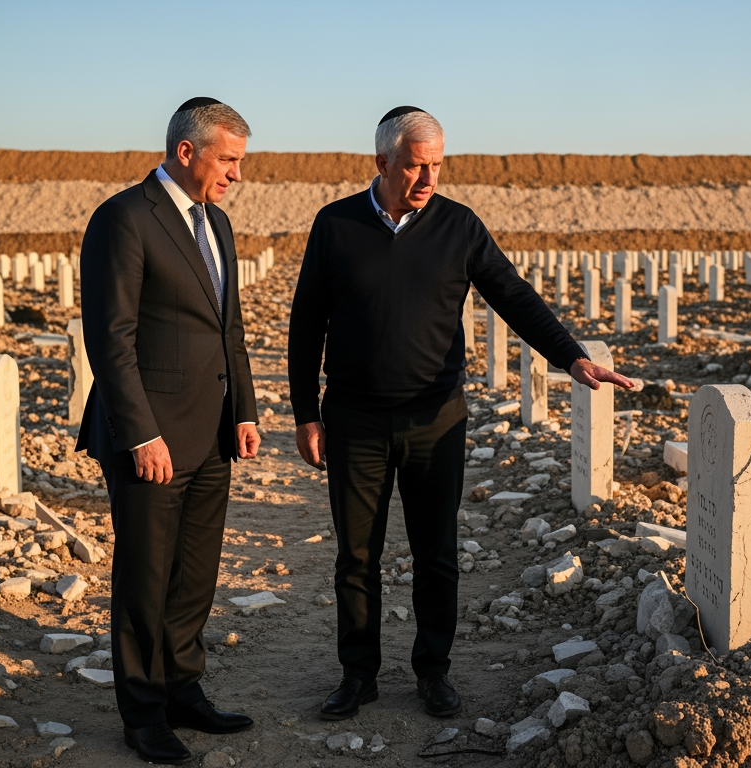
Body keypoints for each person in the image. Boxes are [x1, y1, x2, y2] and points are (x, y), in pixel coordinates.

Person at [288, 106, 633, 721]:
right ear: (382, 162)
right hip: (354, 420)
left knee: (436, 553)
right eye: (417, 166)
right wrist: (305, 414)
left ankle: (433, 672)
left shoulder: (459, 227)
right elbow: (306, 322)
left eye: (438, 166)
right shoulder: (335, 225)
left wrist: (571, 358)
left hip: (434, 420)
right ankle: (357, 675)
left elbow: (513, 295)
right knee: (356, 556)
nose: (428, 179)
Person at [77, 97, 261, 765]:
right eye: (229, 159)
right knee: (144, 578)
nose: (237, 174)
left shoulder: (219, 225)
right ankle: (144, 714)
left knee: (194, 576)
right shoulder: (124, 218)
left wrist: (243, 409)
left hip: (210, 433)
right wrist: (140, 434)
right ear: (188, 152)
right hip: (149, 439)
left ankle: (185, 690)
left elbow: (228, 329)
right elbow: (112, 340)